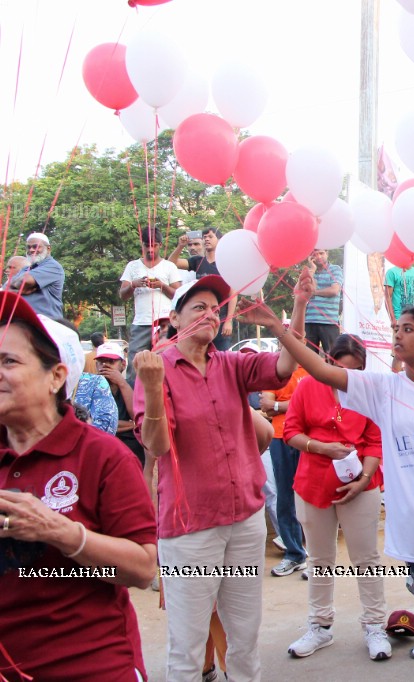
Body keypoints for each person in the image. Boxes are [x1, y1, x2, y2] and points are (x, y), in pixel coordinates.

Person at [262, 282, 414, 682]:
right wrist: (281, 328)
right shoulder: (382, 389)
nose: (397, 334)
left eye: (407, 329)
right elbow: (317, 369)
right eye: (396, 328)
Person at [133, 275, 299, 681]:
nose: (209, 314)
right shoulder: (157, 369)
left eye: (214, 308)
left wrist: (290, 315)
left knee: (244, 636)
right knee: (187, 644)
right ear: (174, 318)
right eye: (198, 307)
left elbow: (283, 367)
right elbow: (156, 446)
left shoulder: (231, 364)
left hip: (243, 523)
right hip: (190, 532)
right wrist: (154, 389)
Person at [0, 291, 157, 680]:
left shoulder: (102, 456)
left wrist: (60, 532)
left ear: (56, 376)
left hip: (89, 666)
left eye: (8, 361)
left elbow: (142, 569)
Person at [283, 334, 391, 661]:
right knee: (319, 560)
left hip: (360, 484)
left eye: (356, 370)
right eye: (342, 369)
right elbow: (290, 432)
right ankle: (320, 626)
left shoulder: (368, 390)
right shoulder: (306, 387)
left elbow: (375, 440)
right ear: (329, 362)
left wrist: (365, 478)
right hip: (313, 484)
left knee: (367, 558)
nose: (348, 377)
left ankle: (374, 625)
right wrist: (322, 447)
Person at [260, 364, 310, 577]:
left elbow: (309, 403)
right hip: (280, 437)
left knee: (309, 495)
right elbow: (265, 406)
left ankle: (317, 558)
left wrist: (279, 406)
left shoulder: (309, 368)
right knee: (284, 496)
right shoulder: (275, 370)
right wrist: (292, 405)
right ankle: (295, 554)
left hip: (308, 438)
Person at [119, 230, 182, 384]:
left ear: (160, 245)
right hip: (141, 322)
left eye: (154, 246)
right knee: (136, 363)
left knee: (168, 361)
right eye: (147, 246)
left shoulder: (169, 267)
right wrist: (133, 284)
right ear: (142, 245)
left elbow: (178, 295)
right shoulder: (133, 266)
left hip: (165, 323)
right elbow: (122, 295)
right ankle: (134, 403)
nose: (150, 249)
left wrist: (161, 285)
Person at [174, 228, 237, 350]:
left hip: (220, 318)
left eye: (210, 236)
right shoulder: (197, 261)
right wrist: (180, 246)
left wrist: (228, 321)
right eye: (204, 237)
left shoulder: (226, 262)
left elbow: (233, 294)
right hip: (200, 319)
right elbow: (172, 263)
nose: (207, 239)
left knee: (220, 357)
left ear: (219, 240)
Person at [94, 341, 146, 468]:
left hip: (132, 447)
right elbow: (97, 425)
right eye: (101, 362)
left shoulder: (134, 385)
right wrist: (132, 425)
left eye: (111, 362)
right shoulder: (92, 388)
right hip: (102, 447)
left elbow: (138, 417)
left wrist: (121, 383)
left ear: (123, 364)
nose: (105, 366)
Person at [6, 232, 65, 319]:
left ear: (48, 249)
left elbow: (24, 281)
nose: (31, 250)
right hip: (23, 320)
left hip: (47, 321)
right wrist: (18, 290)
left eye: (36, 246)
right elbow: (4, 289)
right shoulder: (25, 269)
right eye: (29, 247)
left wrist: (13, 289)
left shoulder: (53, 267)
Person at [305, 249, 343, 354]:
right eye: (315, 254)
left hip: (329, 321)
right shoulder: (309, 272)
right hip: (309, 321)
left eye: (321, 253)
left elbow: (334, 290)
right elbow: (304, 291)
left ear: (327, 253)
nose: (318, 257)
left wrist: (314, 292)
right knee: (308, 359)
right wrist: (312, 269)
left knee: (332, 358)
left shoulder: (335, 269)